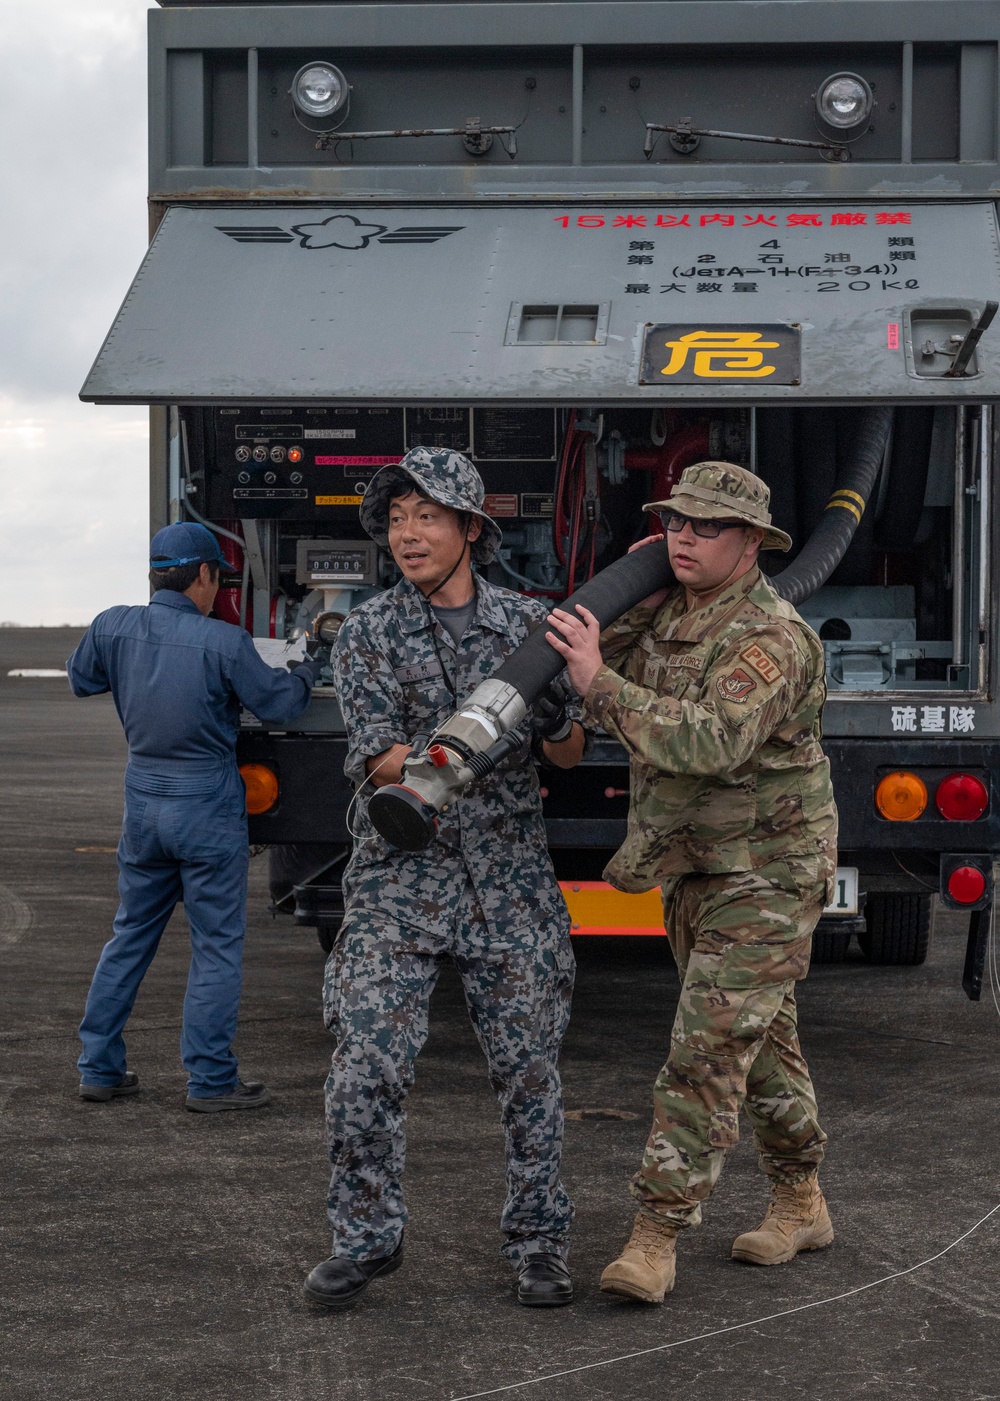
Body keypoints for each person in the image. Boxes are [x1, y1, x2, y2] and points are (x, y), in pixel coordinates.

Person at [545, 462, 838, 1304]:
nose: (685, 535)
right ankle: (801, 1197)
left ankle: (655, 1236)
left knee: (705, 1049)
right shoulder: (671, 612)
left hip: (769, 873)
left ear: (752, 542)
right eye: (675, 520)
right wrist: (632, 589)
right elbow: (605, 655)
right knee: (762, 1047)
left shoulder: (772, 638)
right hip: (696, 864)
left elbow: (709, 739)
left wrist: (599, 681)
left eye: (707, 526)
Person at [304, 446, 585, 1312]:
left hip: (511, 882)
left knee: (530, 1072)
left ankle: (539, 1242)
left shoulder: (528, 627)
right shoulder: (367, 632)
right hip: (402, 878)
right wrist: (459, 745)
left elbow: (568, 754)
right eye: (395, 519)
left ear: (472, 529)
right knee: (366, 1066)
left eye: (428, 516)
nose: (408, 534)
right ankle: (364, 1238)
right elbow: (379, 758)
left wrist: (561, 694)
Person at [70, 521, 319, 1112]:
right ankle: (209, 1081)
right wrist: (309, 666)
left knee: (130, 935)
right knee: (215, 946)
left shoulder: (112, 625)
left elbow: (83, 679)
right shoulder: (223, 642)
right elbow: (281, 702)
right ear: (204, 576)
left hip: (144, 807)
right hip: (205, 808)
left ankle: (99, 1068)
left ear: (155, 573)